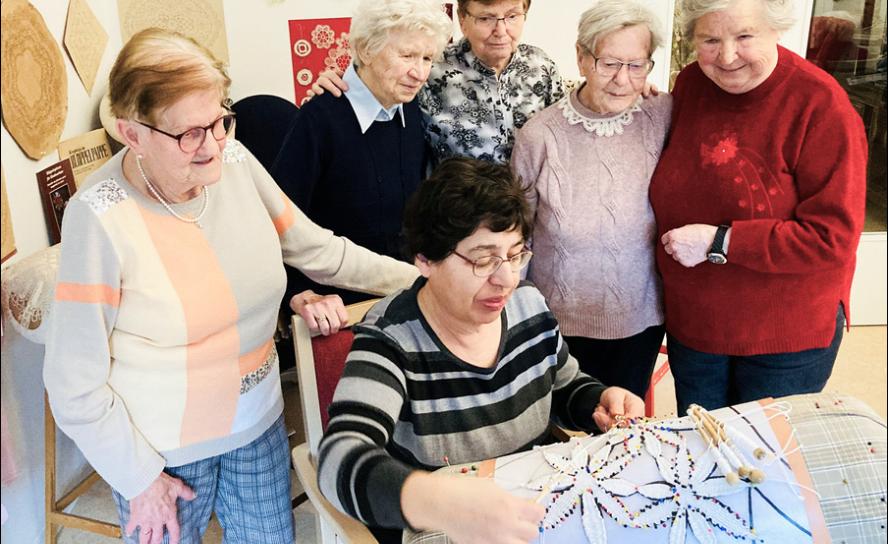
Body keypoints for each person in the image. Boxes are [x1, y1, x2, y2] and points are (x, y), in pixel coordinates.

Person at [43, 28, 418, 544]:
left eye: (221, 120)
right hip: (157, 452)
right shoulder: (99, 217)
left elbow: (320, 252)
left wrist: (425, 281)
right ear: (132, 133)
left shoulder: (235, 161)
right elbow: (73, 384)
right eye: (190, 133)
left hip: (257, 425)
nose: (213, 144)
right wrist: (139, 478)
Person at [317, 158, 645, 544]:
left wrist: (598, 400)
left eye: (515, 254)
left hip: (532, 509)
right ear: (425, 259)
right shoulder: (391, 338)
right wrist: (436, 502)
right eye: (483, 260)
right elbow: (339, 456)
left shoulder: (528, 305)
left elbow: (564, 385)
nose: (505, 279)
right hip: (444, 527)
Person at [649, 0, 867, 416]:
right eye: (710, 39)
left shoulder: (821, 106)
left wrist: (721, 241)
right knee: (703, 453)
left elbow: (831, 238)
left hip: (783, 334)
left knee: (765, 465)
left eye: (744, 36)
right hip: (695, 323)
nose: (727, 56)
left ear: (776, 30)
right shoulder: (692, 83)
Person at [511, 0, 669, 400]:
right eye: (609, 63)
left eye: (637, 65)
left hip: (640, 316)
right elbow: (518, 232)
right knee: (561, 431)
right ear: (581, 58)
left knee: (623, 426)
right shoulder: (539, 134)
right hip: (558, 320)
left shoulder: (663, 114)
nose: (622, 79)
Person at [275, 0, 451, 306]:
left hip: (404, 292)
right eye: (407, 55)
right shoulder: (319, 119)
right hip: (337, 303)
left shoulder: (411, 109)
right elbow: (279, 221)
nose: (420, 73)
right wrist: (297, 294)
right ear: (366, 50)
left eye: (427, 58)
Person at [312, 0, 565, 163]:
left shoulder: (541, 66)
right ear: (463, 19)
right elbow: (380, 88)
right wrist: (346, 83)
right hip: (458, 223)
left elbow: (566, 135)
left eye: (512, 16)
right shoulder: (432, 69)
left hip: (530, 215)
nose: (501, 30)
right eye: (486, 18)